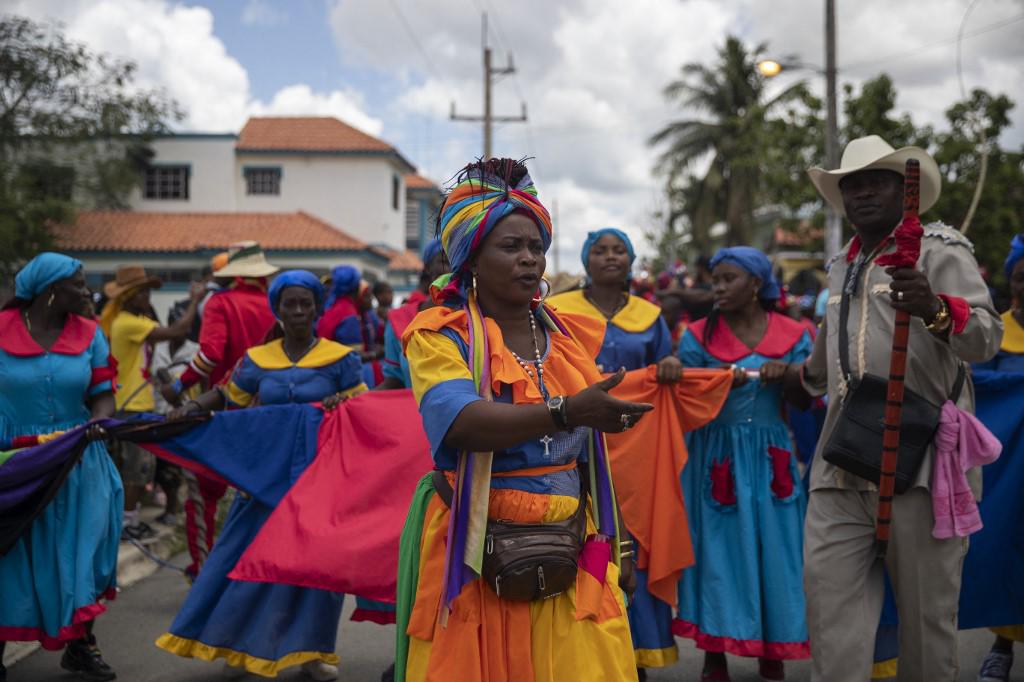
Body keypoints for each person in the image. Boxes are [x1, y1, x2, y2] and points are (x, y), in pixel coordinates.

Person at [396, 158, 653, 681]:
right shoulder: (441, 334)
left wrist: (618, 542)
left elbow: (590, 455)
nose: (529, 260)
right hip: (474, 548)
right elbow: (461, 423)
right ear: (470, 257)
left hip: (572, 542)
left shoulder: (563, 336)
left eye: (536, 247)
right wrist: (566, 411)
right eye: (510, 247)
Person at [788, 135, 1002, 681]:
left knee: (928, 626)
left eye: (875, 181)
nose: (861, 193)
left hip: (924, 463)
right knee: (830, 619)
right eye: (850, 184)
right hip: (841, 461)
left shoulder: (941, 249)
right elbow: (829, 343)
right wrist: (802, 379)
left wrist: (934, 307)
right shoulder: (840, 263)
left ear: (903, 191)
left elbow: (986, 339)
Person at [158, 270, 366, 681]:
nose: (299, 311)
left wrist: (342, 401)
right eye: (290, 303)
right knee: (245, 561)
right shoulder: (256, 360)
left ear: (318, 308)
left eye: (307, 303)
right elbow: (226, 394)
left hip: (318, 479)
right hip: (263, 481)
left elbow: (360, 411)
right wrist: (192, 409)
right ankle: (236, 644)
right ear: (278, 309)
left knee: (315, 567)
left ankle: (313, 652)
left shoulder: (341, 359)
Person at [673, 246, 813, 682]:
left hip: (773, 459)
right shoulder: (697, 337)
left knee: (778, 551)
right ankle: (716, 652)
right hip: (715, 456)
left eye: (728, 278)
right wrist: (713, 385)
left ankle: (772, 645)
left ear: (757, 283)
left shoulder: (796, 334)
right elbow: (686, 404)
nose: (718, 287)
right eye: (715, 279)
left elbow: (807, 399)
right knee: (718, 551)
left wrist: (791, 375)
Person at [549, 227, 683, 676]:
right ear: (586, 260)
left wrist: (669, 365)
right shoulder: (557, 309)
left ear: (631, 260)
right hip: (577, 435)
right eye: (600, 250)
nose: (610, 257)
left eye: (619, 249)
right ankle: (585, 645)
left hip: (636, 442)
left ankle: (639, 650)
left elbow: (667, 368)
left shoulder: (651, 315)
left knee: (635, 533)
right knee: (583, 527)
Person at [0, 253, 122, 682]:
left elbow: (102, 392)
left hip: (79, 458)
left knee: (83, 552)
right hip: (15, 460)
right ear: (51, 290)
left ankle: (80, 646)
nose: (86, 291)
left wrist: (97, 422)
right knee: (13, 549)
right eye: (77, 283)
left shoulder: (90, 334)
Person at [162, 241, 278, 581]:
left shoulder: (221, 303)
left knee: (204, 493)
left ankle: (203, 571)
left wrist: (179, 385)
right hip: (270, 411)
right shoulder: (276, 304)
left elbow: (210, 355)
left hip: (224, 407)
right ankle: (258, 570)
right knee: (262, 491)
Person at [101, 265, 203, 543]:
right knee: (138, 467)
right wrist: (195, 300)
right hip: (133, 405)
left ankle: (130, 519)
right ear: (131, 296)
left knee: (139, 466)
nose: (148, 297)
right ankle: (127, 524)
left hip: (133, 402)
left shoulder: (126, 320)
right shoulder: (130, 322)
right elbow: (179, 330)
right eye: (143, 292)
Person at [975, 234, 1024, 682]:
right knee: (1007, 549)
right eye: (1021, 277)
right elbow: (975, 391)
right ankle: (1001, 646)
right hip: (1008, 469)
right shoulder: (994, 333)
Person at [149, 304, 201, 527]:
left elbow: (202, 382)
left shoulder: (195, 350)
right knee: (162, 466)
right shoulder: (158, 347)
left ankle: (181, 510)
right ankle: (171, 507)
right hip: (158, 412)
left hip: (183, 414)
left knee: (180, 464)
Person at [377, 238, 448, 390]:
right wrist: (351, 402)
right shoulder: (399, 320)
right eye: (444, 260)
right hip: (414, 412)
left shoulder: (478, 317)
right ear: (428, 268)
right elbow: (394, 380)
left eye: (459, 260)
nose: (452, 268)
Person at [318, 267, 384, 387]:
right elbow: (353, 356)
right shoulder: (349, 313)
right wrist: (376, 354)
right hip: (339, 373)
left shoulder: (334, 306)